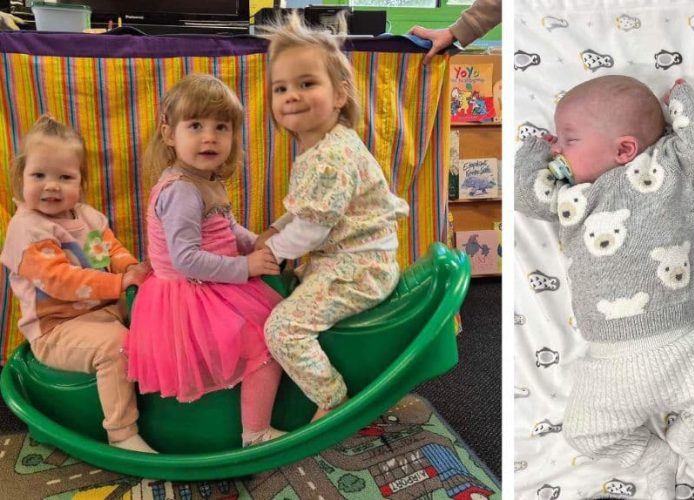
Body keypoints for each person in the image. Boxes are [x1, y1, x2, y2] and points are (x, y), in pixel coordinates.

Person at [515, 75, 694, 500]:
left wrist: (681, 96)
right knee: (583, 433)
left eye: (568, 140)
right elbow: (529, 198)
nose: (557, 149)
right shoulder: (573, 195)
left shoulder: (667, 166)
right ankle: (652, 459)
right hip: (609, 364)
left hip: (683, 346)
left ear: (624, 149)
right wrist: (532, 150)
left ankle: (687, 437)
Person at [256, 13, 411, 421]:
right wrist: (273, 230)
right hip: (347, 260)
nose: (291, 95)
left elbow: (310, 229)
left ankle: (331, 398)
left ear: (340, 95)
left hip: (357, 268)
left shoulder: (330, 157)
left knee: (282, 328)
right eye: (281, 88)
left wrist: (269, 249)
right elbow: (306, 211)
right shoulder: (324, 146)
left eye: (307, 84)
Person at [124, 74, 288, 447]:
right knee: (268, 344)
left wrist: (257, 244)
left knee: (276, 320)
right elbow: (185, 259)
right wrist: (245, 266)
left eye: (221, 127)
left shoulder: (204, 179)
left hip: (211, 284)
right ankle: (256, 433)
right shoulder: (182, 189)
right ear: (169, 134)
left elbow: (227, 229)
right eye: (195, 125)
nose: (209, 137)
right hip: (188, 296)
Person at [1, 116, 155, 453]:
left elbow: (106, 251)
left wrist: (129, 267)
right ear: (21, 177)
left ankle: (170, 401)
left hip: (104, 312)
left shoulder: (84, 218)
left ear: (80, 182)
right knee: (117, 346)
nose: (52, 186)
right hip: (57, 329)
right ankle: (122, 432)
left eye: (65, 177)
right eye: (39, 175)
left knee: (160, 305)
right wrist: (119, 283)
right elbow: (61, 281)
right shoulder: (28, 228)